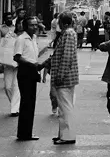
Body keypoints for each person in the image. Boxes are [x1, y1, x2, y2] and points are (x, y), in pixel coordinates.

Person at [43, 13, 78, 145]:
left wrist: (60, 76)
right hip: (65, 76)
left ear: (62, 23)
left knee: (65, 107)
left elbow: (67, 57)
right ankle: (63, 134)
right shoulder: (67, 33)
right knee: (63, 107)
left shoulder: (68, 34)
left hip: (65, 78)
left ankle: (68, 136)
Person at [14, 16, 45, 141]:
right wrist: (32, 64)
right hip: (25, 71)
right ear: (26, 27)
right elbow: (17, 57)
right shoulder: (21, 39)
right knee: (26, 102)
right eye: (32, 25)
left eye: (36, 25)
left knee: (31, 102)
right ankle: (23, 133)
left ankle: (27, 132)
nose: (35, 27)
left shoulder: (34, 38)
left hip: (32, 71)